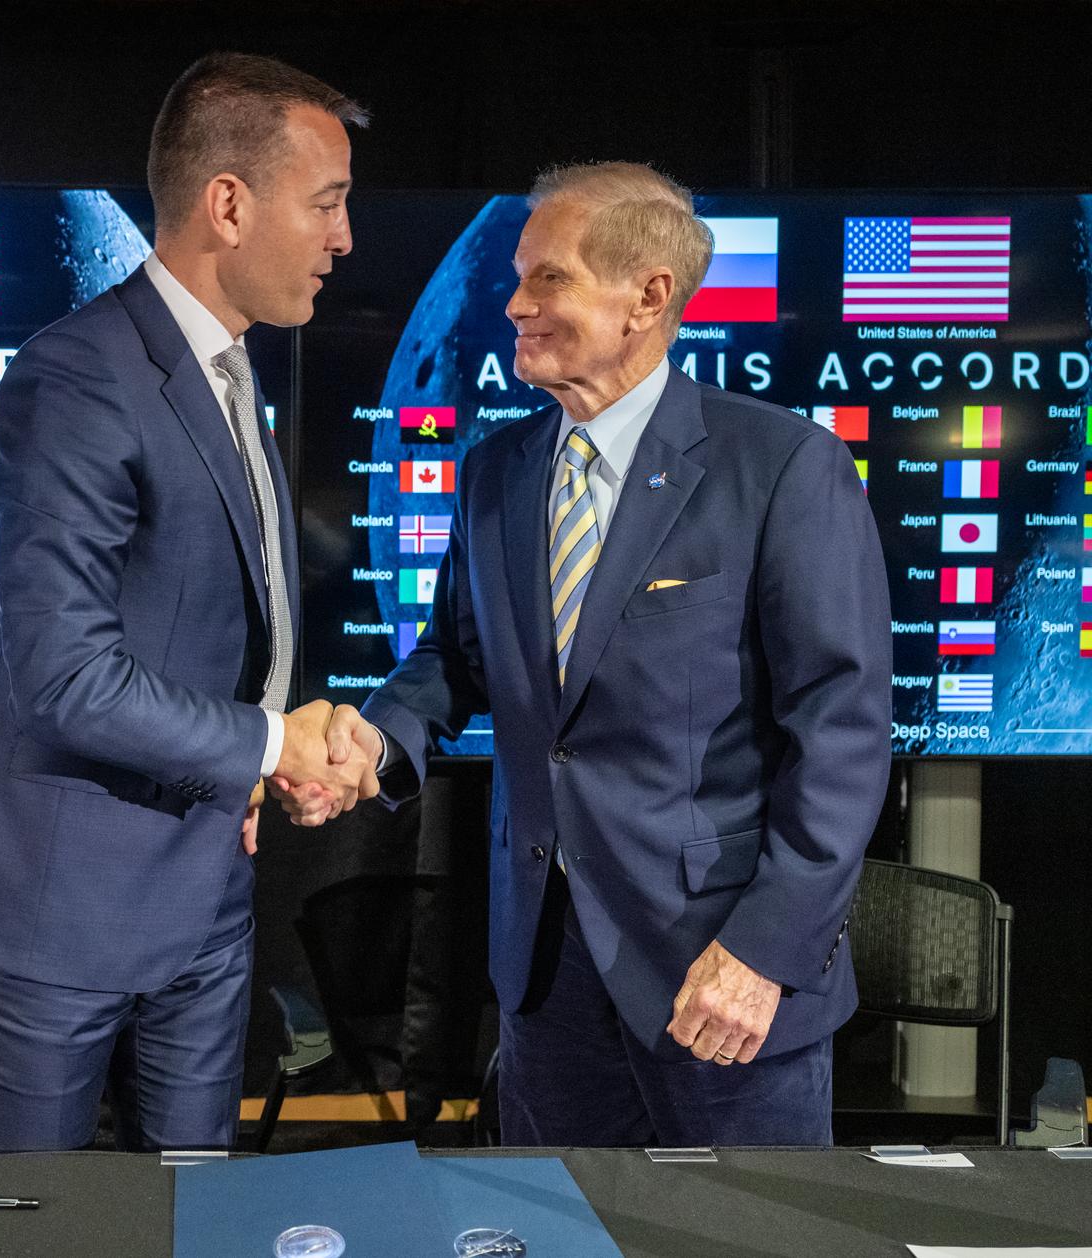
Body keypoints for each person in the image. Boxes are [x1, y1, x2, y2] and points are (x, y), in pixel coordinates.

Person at [304, 163, 892, 1146]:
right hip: (543, 978)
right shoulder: (494, 472)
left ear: (647, 296)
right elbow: (456, 655)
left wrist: (761, 953)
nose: (513, 303)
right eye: (519, 277)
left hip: (718, 970)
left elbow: (840, 738)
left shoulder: (783, 468)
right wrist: (371, 741)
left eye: (547, 279)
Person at [0, 52, 378, 1153]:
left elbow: (218, 619)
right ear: (228, 203)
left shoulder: (229, 368)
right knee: (38, 1232)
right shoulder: (75, 376)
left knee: (195, 1217)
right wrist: (272, 742)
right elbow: (67, 676)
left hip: (204, 899)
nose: (342, 237)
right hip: (55, 916)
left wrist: (264, 760)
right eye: (326, 201)